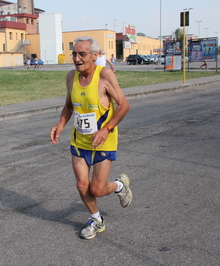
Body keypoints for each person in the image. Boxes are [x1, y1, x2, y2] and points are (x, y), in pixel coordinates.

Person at [50, 36, 131, 240]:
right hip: (80, 140)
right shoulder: (71, 77)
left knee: (98, 188)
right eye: (74, 54)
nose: (77, 58)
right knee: (82, 185)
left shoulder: (105, 75)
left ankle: (120, 186)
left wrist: (107, 129)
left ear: (95, 56)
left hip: (104, 140)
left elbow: (124, 105)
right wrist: (60, 124)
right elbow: (69, 105)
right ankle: (96, 220)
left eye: (82, 54)